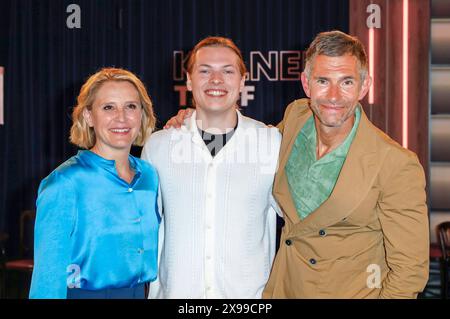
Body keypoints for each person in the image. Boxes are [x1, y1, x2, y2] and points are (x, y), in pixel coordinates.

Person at [166, 31, 429, 298]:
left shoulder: (396, 164)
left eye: (347, 82)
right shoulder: (295, 118)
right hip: (283, 290)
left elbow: (410, 270)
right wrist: (195, 119)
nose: (334, 96)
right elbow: (244, 144)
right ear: (306, 84)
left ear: (364, 85)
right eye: (323, 81)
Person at [141, 37, 281, 298]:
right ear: (189, 80)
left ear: (242, 80)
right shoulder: (158, 147)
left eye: (227, 71)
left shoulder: (271, 143)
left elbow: (299, 219)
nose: (216, 80)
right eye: (205, 71)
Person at [29, 67, 160, 299]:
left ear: (142, 114)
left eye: (131, 106)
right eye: (108, 107)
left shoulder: (150, 176)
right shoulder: (65, 183)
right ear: (88, 116)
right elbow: (47, 279)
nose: (121, 117)